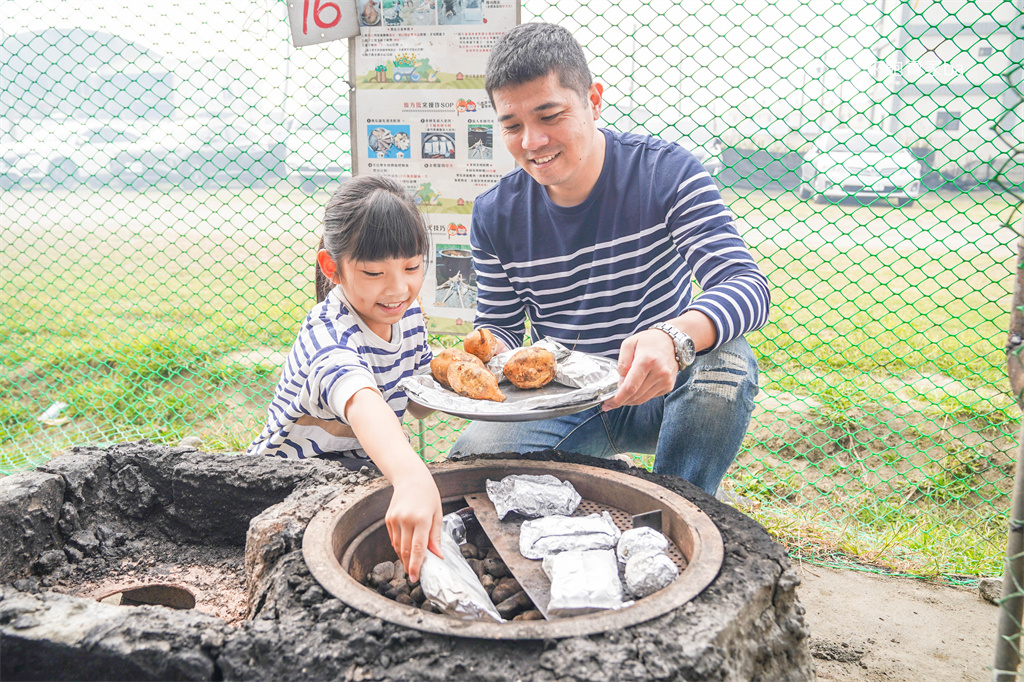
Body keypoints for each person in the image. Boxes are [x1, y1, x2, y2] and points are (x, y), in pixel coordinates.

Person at [450, 23, 771, 496]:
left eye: (550, 115)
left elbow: (747, 286)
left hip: (663, 384)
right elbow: (498, 325)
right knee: (468, 466)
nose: (533, 142)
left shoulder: (667, 173)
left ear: (593, 100)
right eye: (513, 126)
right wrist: (484, 351)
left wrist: (673, 337)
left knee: (727, 360)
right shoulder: (495, 214)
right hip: (567, 397)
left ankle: (685, 504)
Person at [247, 174, 443, 581]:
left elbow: (420, 403)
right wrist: (410, 475)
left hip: (354, 478)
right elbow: (361, 400)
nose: (399, 288)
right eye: (374, 273)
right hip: (283, 488)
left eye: (412, 266)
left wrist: (463, 380)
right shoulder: (327, 334)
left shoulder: (408, 316)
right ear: (332, 268)